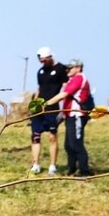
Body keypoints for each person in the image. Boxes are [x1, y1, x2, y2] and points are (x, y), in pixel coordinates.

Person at [45, 59, 92, 177]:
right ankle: (71, 169)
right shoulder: (73, 79)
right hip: (70, 115)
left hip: (77, 115)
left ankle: (84, 171)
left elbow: (64, 95)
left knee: (76, 144)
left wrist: (45, 104)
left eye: (70, 68)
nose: (67, 70)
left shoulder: (79, 78)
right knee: (68, 145)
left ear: (78, 68)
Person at [32, 46, 67, 176]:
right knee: (35, 136)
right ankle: (35, 164)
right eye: (40, 61)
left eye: (44, 60)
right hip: (39, 110)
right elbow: (39, 88)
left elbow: (65, 90)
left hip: (53, 109)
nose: (42, 63)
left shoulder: (61, 69)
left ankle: (52, 166)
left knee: (52, 137)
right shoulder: (40, 72)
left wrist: (63, 109)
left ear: (50, 57)